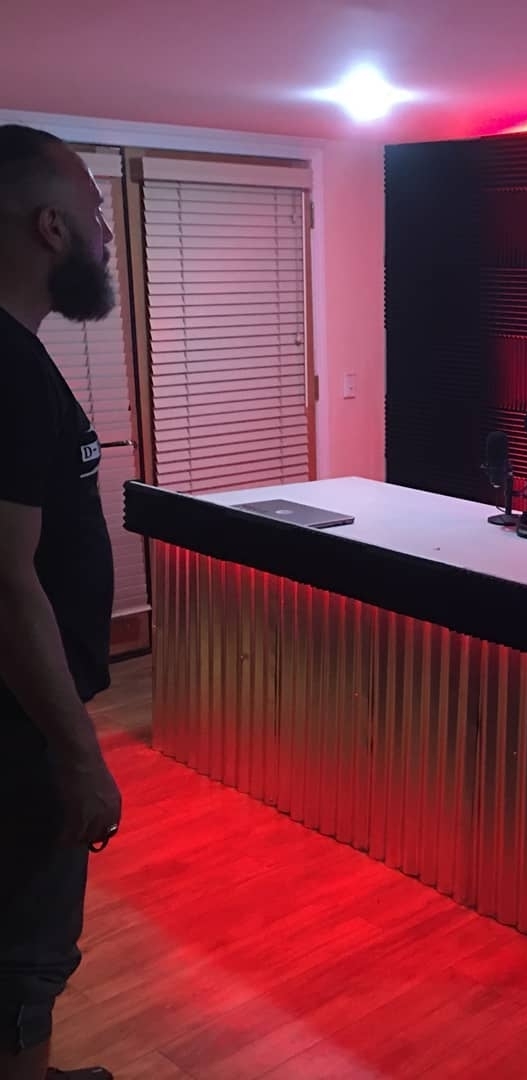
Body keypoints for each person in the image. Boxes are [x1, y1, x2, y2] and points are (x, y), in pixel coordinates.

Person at [0, 124, 123, 1080]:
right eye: (94, 210)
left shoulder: (17, 357)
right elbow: (7, 584)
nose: (105, 232)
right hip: (19, 728)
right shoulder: (5, 370)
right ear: (50, 227)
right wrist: (80, 757)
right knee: (25, 954)